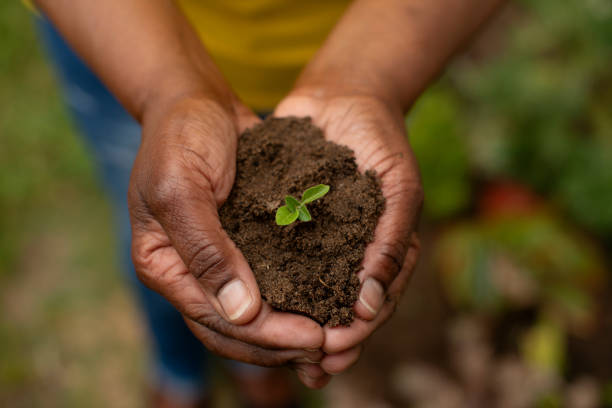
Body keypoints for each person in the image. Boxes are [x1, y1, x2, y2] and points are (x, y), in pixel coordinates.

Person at [32, 0, 503, 406]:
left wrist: (366, 79)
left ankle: (257, 370)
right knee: (159, 222)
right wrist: (168, 92)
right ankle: (176, 372)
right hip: (120, 44)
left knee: (234, 299)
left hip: (371, 38)